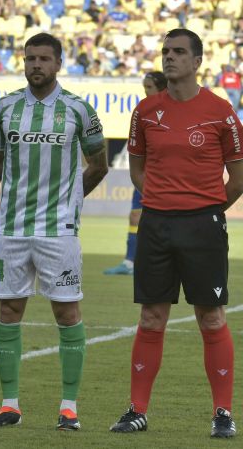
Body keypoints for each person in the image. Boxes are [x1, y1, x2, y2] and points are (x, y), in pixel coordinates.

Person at [110, 28, 243, 438]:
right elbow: (136, 168)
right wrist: (161, 198)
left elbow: (237, 177)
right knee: (151, 317)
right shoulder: (146, 110)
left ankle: (222, 413)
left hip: (203, 224)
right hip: (156, 223)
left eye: (179, 52)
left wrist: (206, 208)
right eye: (166, 51)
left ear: (197, 61)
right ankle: (137, 410)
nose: (170, 58)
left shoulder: (221, 111)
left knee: (210, 316)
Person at [0, 33, 108, 430]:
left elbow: (98, 163)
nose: (36, 64)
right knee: (8, 311)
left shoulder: (78, 110)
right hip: (13, 228)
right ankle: (9, 405)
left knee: (67, 312)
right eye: (30, 58)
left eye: (44, 59)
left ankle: (69, 408)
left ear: (58, 64)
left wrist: (69, 201)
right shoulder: (4, 108)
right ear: (23, 62)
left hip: (60, 232)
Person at [104, 71, 168, 275]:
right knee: (134, 217)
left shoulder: (170, 111)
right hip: (145, 174)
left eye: (149, 87)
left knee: (157, 220)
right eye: (144, 87)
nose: (146, 91)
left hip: (162, 176)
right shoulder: (144, 111)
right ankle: (130, 262)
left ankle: (152, 261)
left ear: (161, 88)